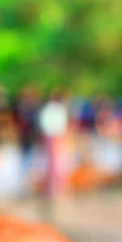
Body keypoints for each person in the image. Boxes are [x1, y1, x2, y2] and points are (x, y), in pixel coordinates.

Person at [39, 88, 70, 217]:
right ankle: (53, 188)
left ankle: (56, 187)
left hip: (56, 136)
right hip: (53, 137)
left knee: (57, 164)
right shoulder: (53, 109)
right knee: (54, 165)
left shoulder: (55, 108)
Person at [13, 86, 41, 180]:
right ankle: (27, 179)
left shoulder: (32, 106)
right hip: (27, 136)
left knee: (32, 158)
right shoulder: (24, 106)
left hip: (31, 136)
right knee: (27, 158)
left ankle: (31, 179)